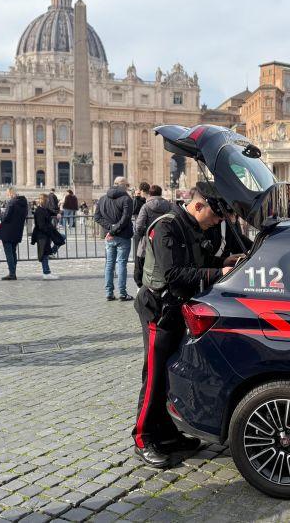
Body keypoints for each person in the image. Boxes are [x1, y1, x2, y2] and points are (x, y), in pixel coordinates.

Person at [132, 183, 240, 468]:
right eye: (216, 217)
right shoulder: (166, 227)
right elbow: (173, 273)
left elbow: (196, 263)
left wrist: (222, 261)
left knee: (170, 374)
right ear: (199, 206)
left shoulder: (192, 227)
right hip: (159, 309)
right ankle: (142, 437)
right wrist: (219, 272)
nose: (217, 222)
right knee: (154, 377)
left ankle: (168, 432)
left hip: (177, 308)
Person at [95, 176, 135, 301]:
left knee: (109, 264)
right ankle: (122, 293)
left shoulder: (102, 199)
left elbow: (97, 217)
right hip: (122, 235)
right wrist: (114, 229)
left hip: (109, 237)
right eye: (126, 185)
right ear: (122, 185)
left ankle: (109, 292)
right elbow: (126, 218)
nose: (127, 187)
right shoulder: (126, 198)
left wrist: (110, 229)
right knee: (122, 264)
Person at [133, 184, 172, 287]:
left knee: (145, 263)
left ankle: (144, 286)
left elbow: (139, 226)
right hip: (164, 240)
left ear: (149, 194)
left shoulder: (145, 206)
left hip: (147, 240)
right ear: (160, 193)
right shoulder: (168, 205)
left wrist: (144, 235)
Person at [30, 193, 64, 280]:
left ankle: (52, 253)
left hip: (47, 233)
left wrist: (58, 214)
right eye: (47, 201)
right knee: (44, 254)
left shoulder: (44, 209)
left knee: (62, 237)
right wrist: (50, 231)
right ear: (44, 201)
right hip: (42, 235)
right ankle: (46, 272)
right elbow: (41, 226)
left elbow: (52, 211)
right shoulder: (39, 211)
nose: (48, 202)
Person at [0, 187, 28, 280]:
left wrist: (0, 214)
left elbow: (6, 216)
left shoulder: (11, 202)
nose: (7, 195)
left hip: (8, 230)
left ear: (11, 193)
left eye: (7, 193)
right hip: (17, 230)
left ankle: (12, 273)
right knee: (13, 252)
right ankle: (13, 272)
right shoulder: (24, 203)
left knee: (9, 253)